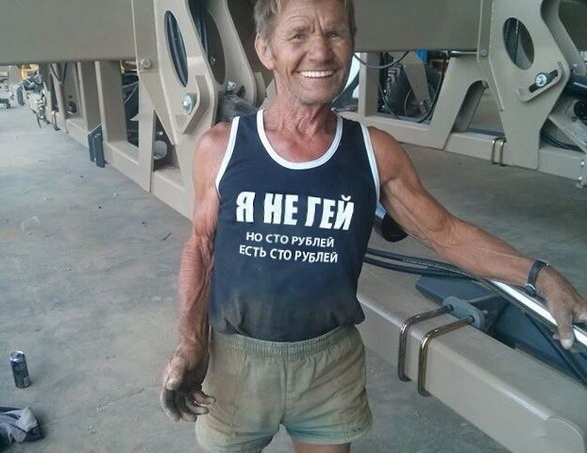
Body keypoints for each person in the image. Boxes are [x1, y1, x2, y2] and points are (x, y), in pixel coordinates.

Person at [160, 0, 587, 451]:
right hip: (236, 363)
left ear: (352, 44)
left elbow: (445, 233)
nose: (320, 52)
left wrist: (540, 276)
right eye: (298, 35)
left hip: (328, 366)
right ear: (265, 50)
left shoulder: (374, 152)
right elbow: (201, 248)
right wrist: (192, 342)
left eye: (335, 33)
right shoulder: (223, 147)